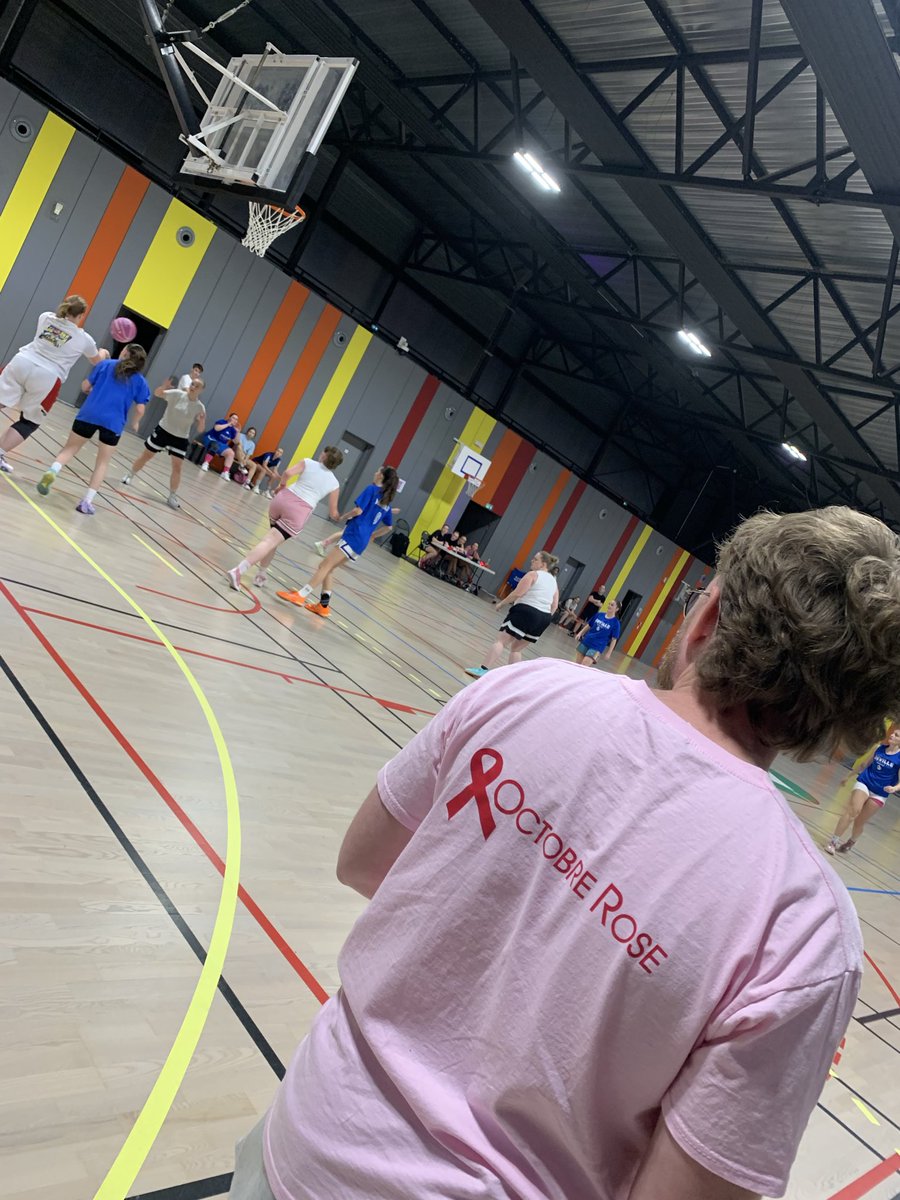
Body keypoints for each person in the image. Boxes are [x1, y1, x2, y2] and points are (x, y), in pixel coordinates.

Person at [229, 506, 900, 1200]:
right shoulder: (807, 929)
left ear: (708, 618)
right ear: (850, 715)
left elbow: (365, 862)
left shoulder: (526, 689)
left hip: (304, 1141)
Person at [0, 295, 109, 473]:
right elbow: (97, 361)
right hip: (47, 376)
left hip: (21, 362)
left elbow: (57, 335)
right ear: (82, 315)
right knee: (29, 421)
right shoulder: (84, 339)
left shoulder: (45, 317)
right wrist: (103, 353)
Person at [36, 344, 149, 515]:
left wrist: (92, 388)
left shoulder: (105, 365)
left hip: (89, 414)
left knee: (70, 448)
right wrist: (136, 422)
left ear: (124, 353)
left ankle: (53, 471)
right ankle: (86, 502)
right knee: (102, 463)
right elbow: (140, 409)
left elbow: (84, 387)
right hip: (113, 423)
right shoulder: (140, 381)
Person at [275, 466, 399, 617]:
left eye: (377, 471)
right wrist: (373, 535)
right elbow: (389, 527)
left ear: (381, 476)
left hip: (353, 535)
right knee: (328, 568)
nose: (374, 472)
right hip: (362, 542)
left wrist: (343, 517)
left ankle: (301, 595)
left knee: (325, 566)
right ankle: (323, 605)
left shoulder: (371, 489)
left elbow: (358, 511)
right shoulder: (386, 501)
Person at [225, 446, 343, 590]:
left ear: (324, 455)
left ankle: (261, 574)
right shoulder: (335, 483)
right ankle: (238, 571)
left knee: (272, 540)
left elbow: (287, 473)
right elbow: (333, 513)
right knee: (270, 541)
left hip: (282, 499)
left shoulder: (308, 462)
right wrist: (343, 517)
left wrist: (282, 486)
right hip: (299, 511)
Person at [466, 550, 559, 677]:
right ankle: (512, 680)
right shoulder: (554, 582)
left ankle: (483, 670)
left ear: (543, 564)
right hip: (543, 619)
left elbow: (517, 593)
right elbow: (554, 606)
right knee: (516, 649)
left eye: (535, 559)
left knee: (500, 641)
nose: (532, 560)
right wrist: (543, 617)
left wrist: (501, 603)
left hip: (526, 611)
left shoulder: (533, 574)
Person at [122, 377, 206, 509]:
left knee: (177, 466)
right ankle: (129, 475)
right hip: (164, 431)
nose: (193, 387)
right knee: (146, 455)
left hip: (181, 437)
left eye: (197, 386)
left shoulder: (200, 407)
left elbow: (201, 429)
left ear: (201, 390)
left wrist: (201, 421)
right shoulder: (178, 394)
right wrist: (163, 386)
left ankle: (172, 495)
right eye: (192, 384)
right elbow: (157, 393)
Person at [825, 725, 900, 855]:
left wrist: (894, 788)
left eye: (896, 735)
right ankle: (833, 842)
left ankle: (851, 841)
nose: (892, 736)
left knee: (859, 822)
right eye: (892, 733)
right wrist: (848, 777)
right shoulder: (878, 749)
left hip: (880, 793)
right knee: (853, 810)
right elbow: (864, 764)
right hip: (865, 782)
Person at [574, 598, 621, 665]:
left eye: (612, 605)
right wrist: (580, 633)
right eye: (609, 604)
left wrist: (609, 653)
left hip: (597, 647)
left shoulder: (616, 623)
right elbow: (589, 625)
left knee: (584, 665)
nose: (609, 606)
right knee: (577, 664)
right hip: (586, 641)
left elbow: (614, 639)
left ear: (617, 609)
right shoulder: (599, 615)